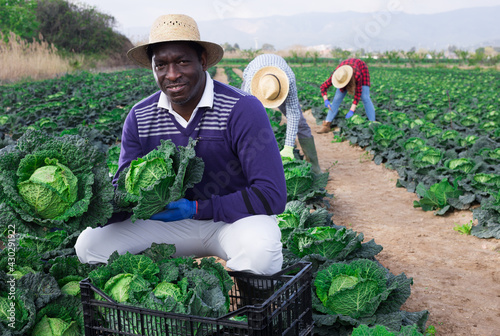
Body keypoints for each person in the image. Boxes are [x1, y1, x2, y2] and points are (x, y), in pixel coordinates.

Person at [75, 14, 287, 276]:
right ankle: (149, 297)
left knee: (261, 252)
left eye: (182, 61)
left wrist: (197, 208)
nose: (172, 74)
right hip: (165, 223)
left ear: (203, 60)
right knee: (89, 245)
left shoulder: (241, 109)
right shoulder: (139, 116)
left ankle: (253, 307)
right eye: (161, 65)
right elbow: (124, 189)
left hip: (229, 221)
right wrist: (85, 207)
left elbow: (272, 194)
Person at [241, 54, 321, 174]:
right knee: (248, 122)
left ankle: (315, 169)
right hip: (255, 81)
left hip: (279, 84)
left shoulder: (289, 79)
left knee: (301, 123)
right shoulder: (250, 86)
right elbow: (247, 116)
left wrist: (288, 147)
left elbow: (293, 114)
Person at [316, 58, 376, 134]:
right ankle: (327, 125)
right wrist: (326, 100)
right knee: (337, 98)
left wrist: (352, 110)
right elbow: (323, 87)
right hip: (345, 72)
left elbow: (358, 93)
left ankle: (373, 123)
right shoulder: (337, 75)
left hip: (362, 69)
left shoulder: (357, 74)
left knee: (365, 97)